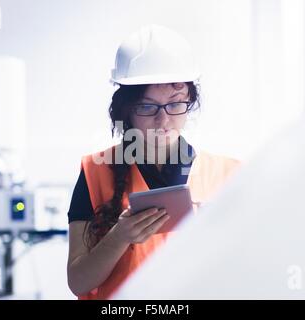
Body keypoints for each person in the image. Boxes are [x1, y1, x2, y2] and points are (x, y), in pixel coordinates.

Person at [66, 24, 240, 300]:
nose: (163, 120)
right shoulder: (94, 172)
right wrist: (119, 237)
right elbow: (78, 282)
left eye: (174, 104)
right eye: (147, 107)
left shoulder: (228, 174)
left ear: (189, 102)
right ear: (127, 111)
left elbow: (246, 269)